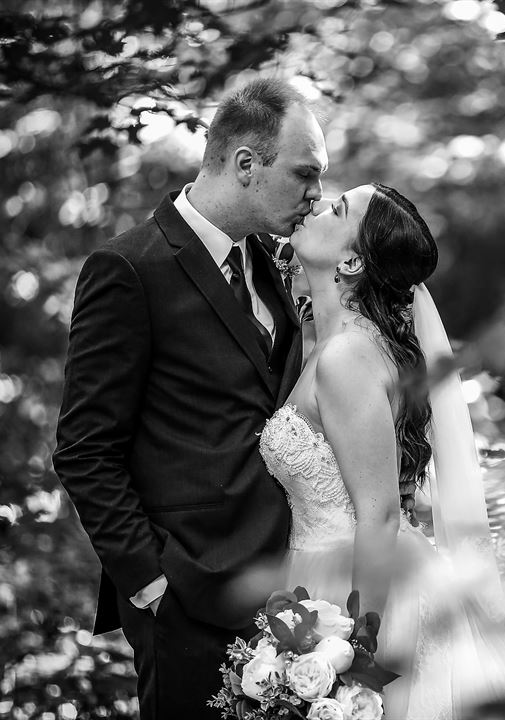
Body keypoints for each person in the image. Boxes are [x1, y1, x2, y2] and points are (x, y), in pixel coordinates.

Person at [53, 77, 327, 719]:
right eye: (305, 173)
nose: (317, 194)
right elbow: (85, 449)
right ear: (246, 164)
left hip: (289, 594)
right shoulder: (130, 269)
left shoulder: (273, 263)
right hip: (186, 598)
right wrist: (150, 583)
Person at [260, 183, 505, 718]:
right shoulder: (326, 341)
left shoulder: (347, 356)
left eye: (337, 209)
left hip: (364, 586)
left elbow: (380, 514)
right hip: (322, 573)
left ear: (351, 261)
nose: (317, 205)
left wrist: (352, 651)